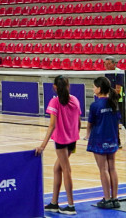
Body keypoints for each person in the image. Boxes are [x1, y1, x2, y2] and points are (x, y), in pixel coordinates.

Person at [35, 76, 81, 215]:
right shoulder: (75, 100)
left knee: (66, 169)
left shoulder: (55, 102)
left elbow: (52, 126)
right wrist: (74, 136)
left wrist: (42, 146)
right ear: (68, 85)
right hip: (72, 140)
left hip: (61, 141)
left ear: (55, 87)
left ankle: (71, 205)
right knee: (57, 169)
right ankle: (54, 203)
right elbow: (78, 122)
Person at [86, 77, 121, 209]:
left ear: (99, 89)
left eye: (94, 86)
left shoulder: (95, 105)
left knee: (103, 169)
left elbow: (90, 123)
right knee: (112, 168)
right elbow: (116, 122)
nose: (93, 89)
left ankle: (107, 199)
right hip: (112, 139)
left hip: (99, 140)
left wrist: (87, 134)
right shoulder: (113, 103)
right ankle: (115, 198)